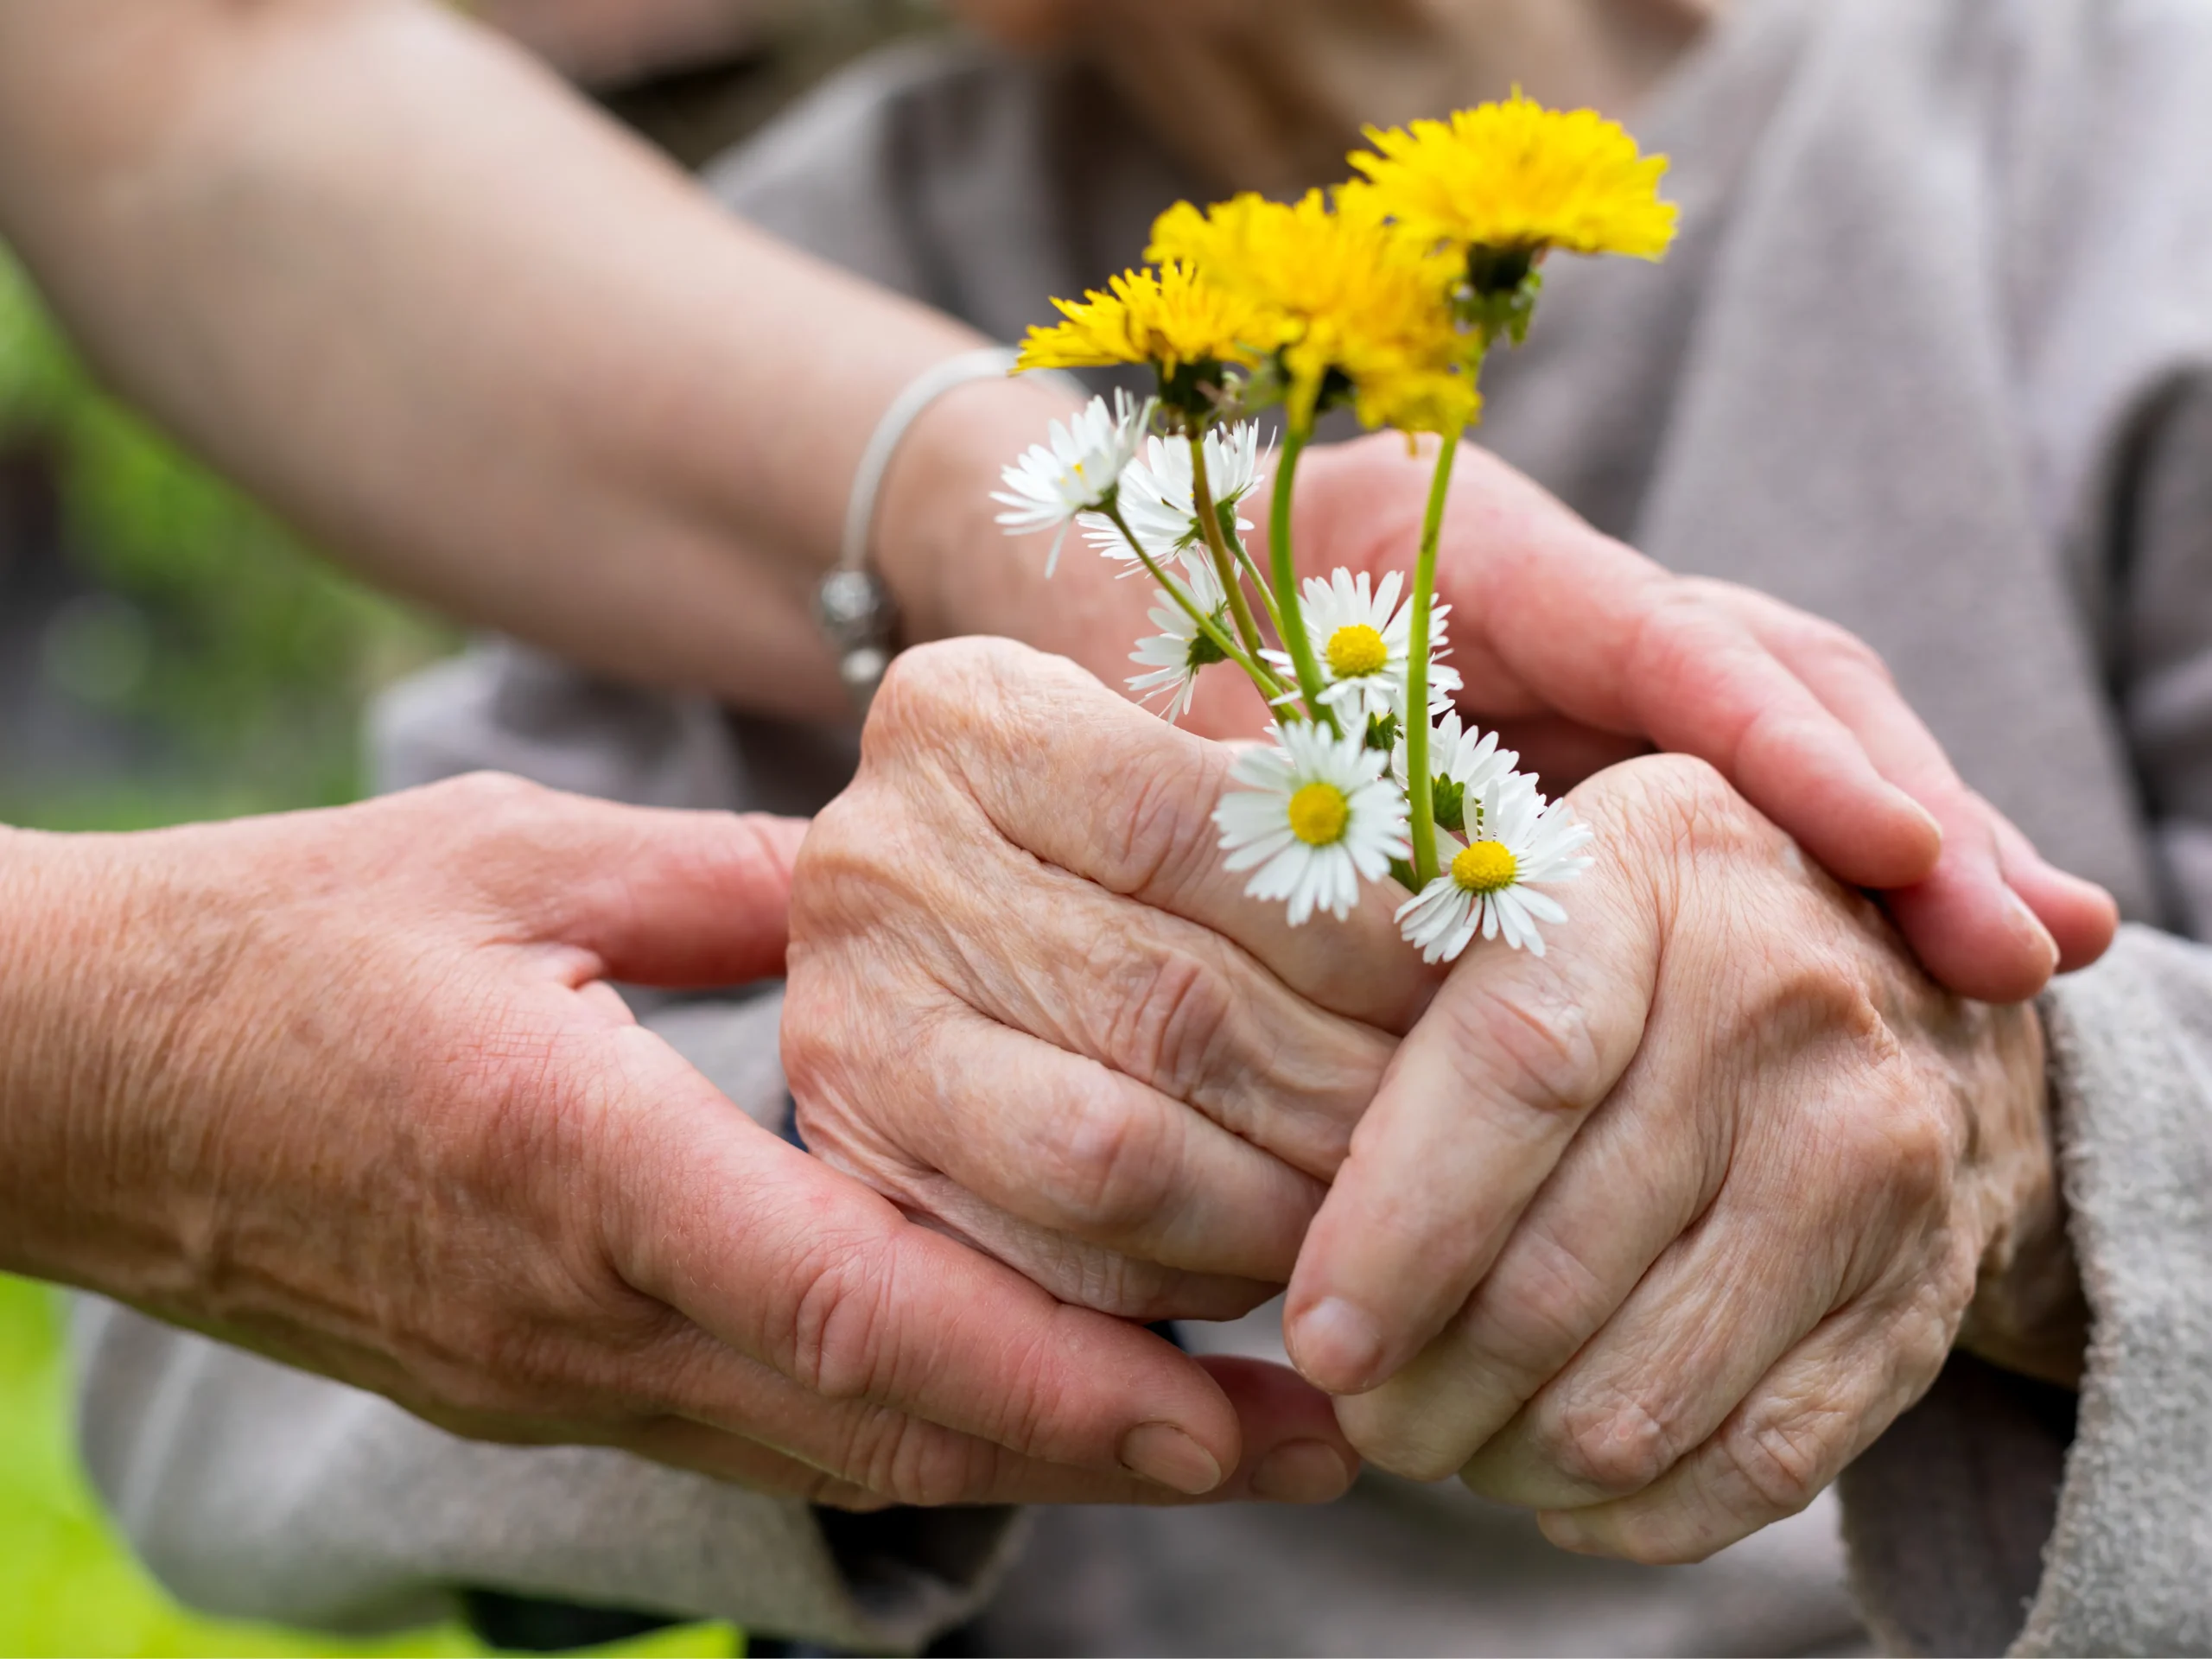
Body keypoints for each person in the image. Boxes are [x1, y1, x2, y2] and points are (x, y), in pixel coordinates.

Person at [68, 0, 2206, 1655]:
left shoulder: (2111, 144)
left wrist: (2026, 1152)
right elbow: (185, 1356)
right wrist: (868, 1141)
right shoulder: (763, 299)